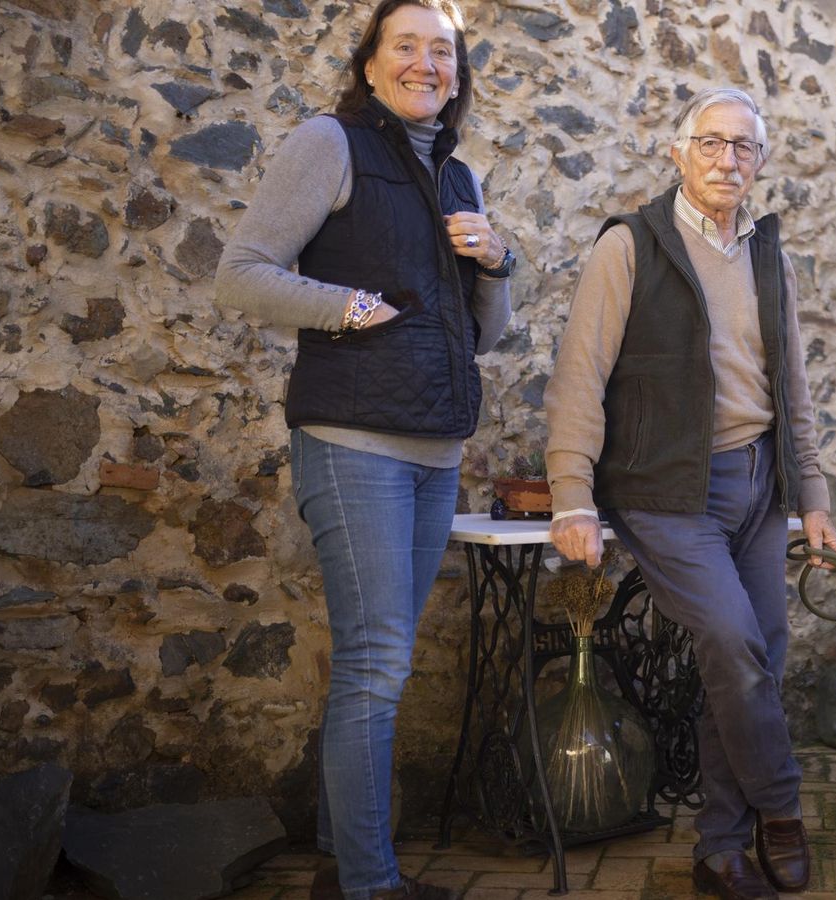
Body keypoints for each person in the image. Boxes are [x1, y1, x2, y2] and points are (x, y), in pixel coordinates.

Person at [214, 1, 512, 897]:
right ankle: (371, 886)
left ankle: (346, 868)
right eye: (407, 47)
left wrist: (498, 261)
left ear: (457, 73)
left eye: (443, 52)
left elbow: (484, 337)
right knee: (376, 667)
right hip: (352, 444)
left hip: (434, 451)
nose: (427, 64)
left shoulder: (459, 178)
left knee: (381, 663)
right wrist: (340, 305)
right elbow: (242, 273)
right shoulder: (329, 142)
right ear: (373, 65)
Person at [544, 87, 836, 900]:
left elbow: (793, 390)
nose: (727, 159)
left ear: (760, 163)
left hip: (757, 486)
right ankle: (779, 812)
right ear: (678, 153)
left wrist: (811, 496)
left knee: (750, 658)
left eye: (744, 147)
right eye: (710, 143)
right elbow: (581, 375)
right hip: (666, 491)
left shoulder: (768, 256)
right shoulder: (630, 246)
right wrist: (571, 494)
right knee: (736, 649)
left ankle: (718, 848)